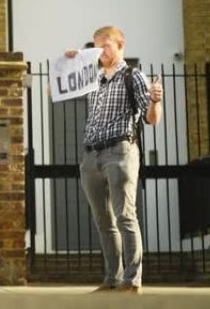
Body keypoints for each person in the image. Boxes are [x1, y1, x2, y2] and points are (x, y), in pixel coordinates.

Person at [65, 26, 163, 294]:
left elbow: (152, 119)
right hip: (90, 155)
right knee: (103, 221)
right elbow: (55, 89)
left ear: (121, 44)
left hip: (120, 151)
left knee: (124, 216)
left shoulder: (134, 77)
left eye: (105, 45)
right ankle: (113, 278)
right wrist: (71, 63)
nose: (101, 51)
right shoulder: (92, 79)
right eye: (96, 46)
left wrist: (156, 101)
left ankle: (132, 280)